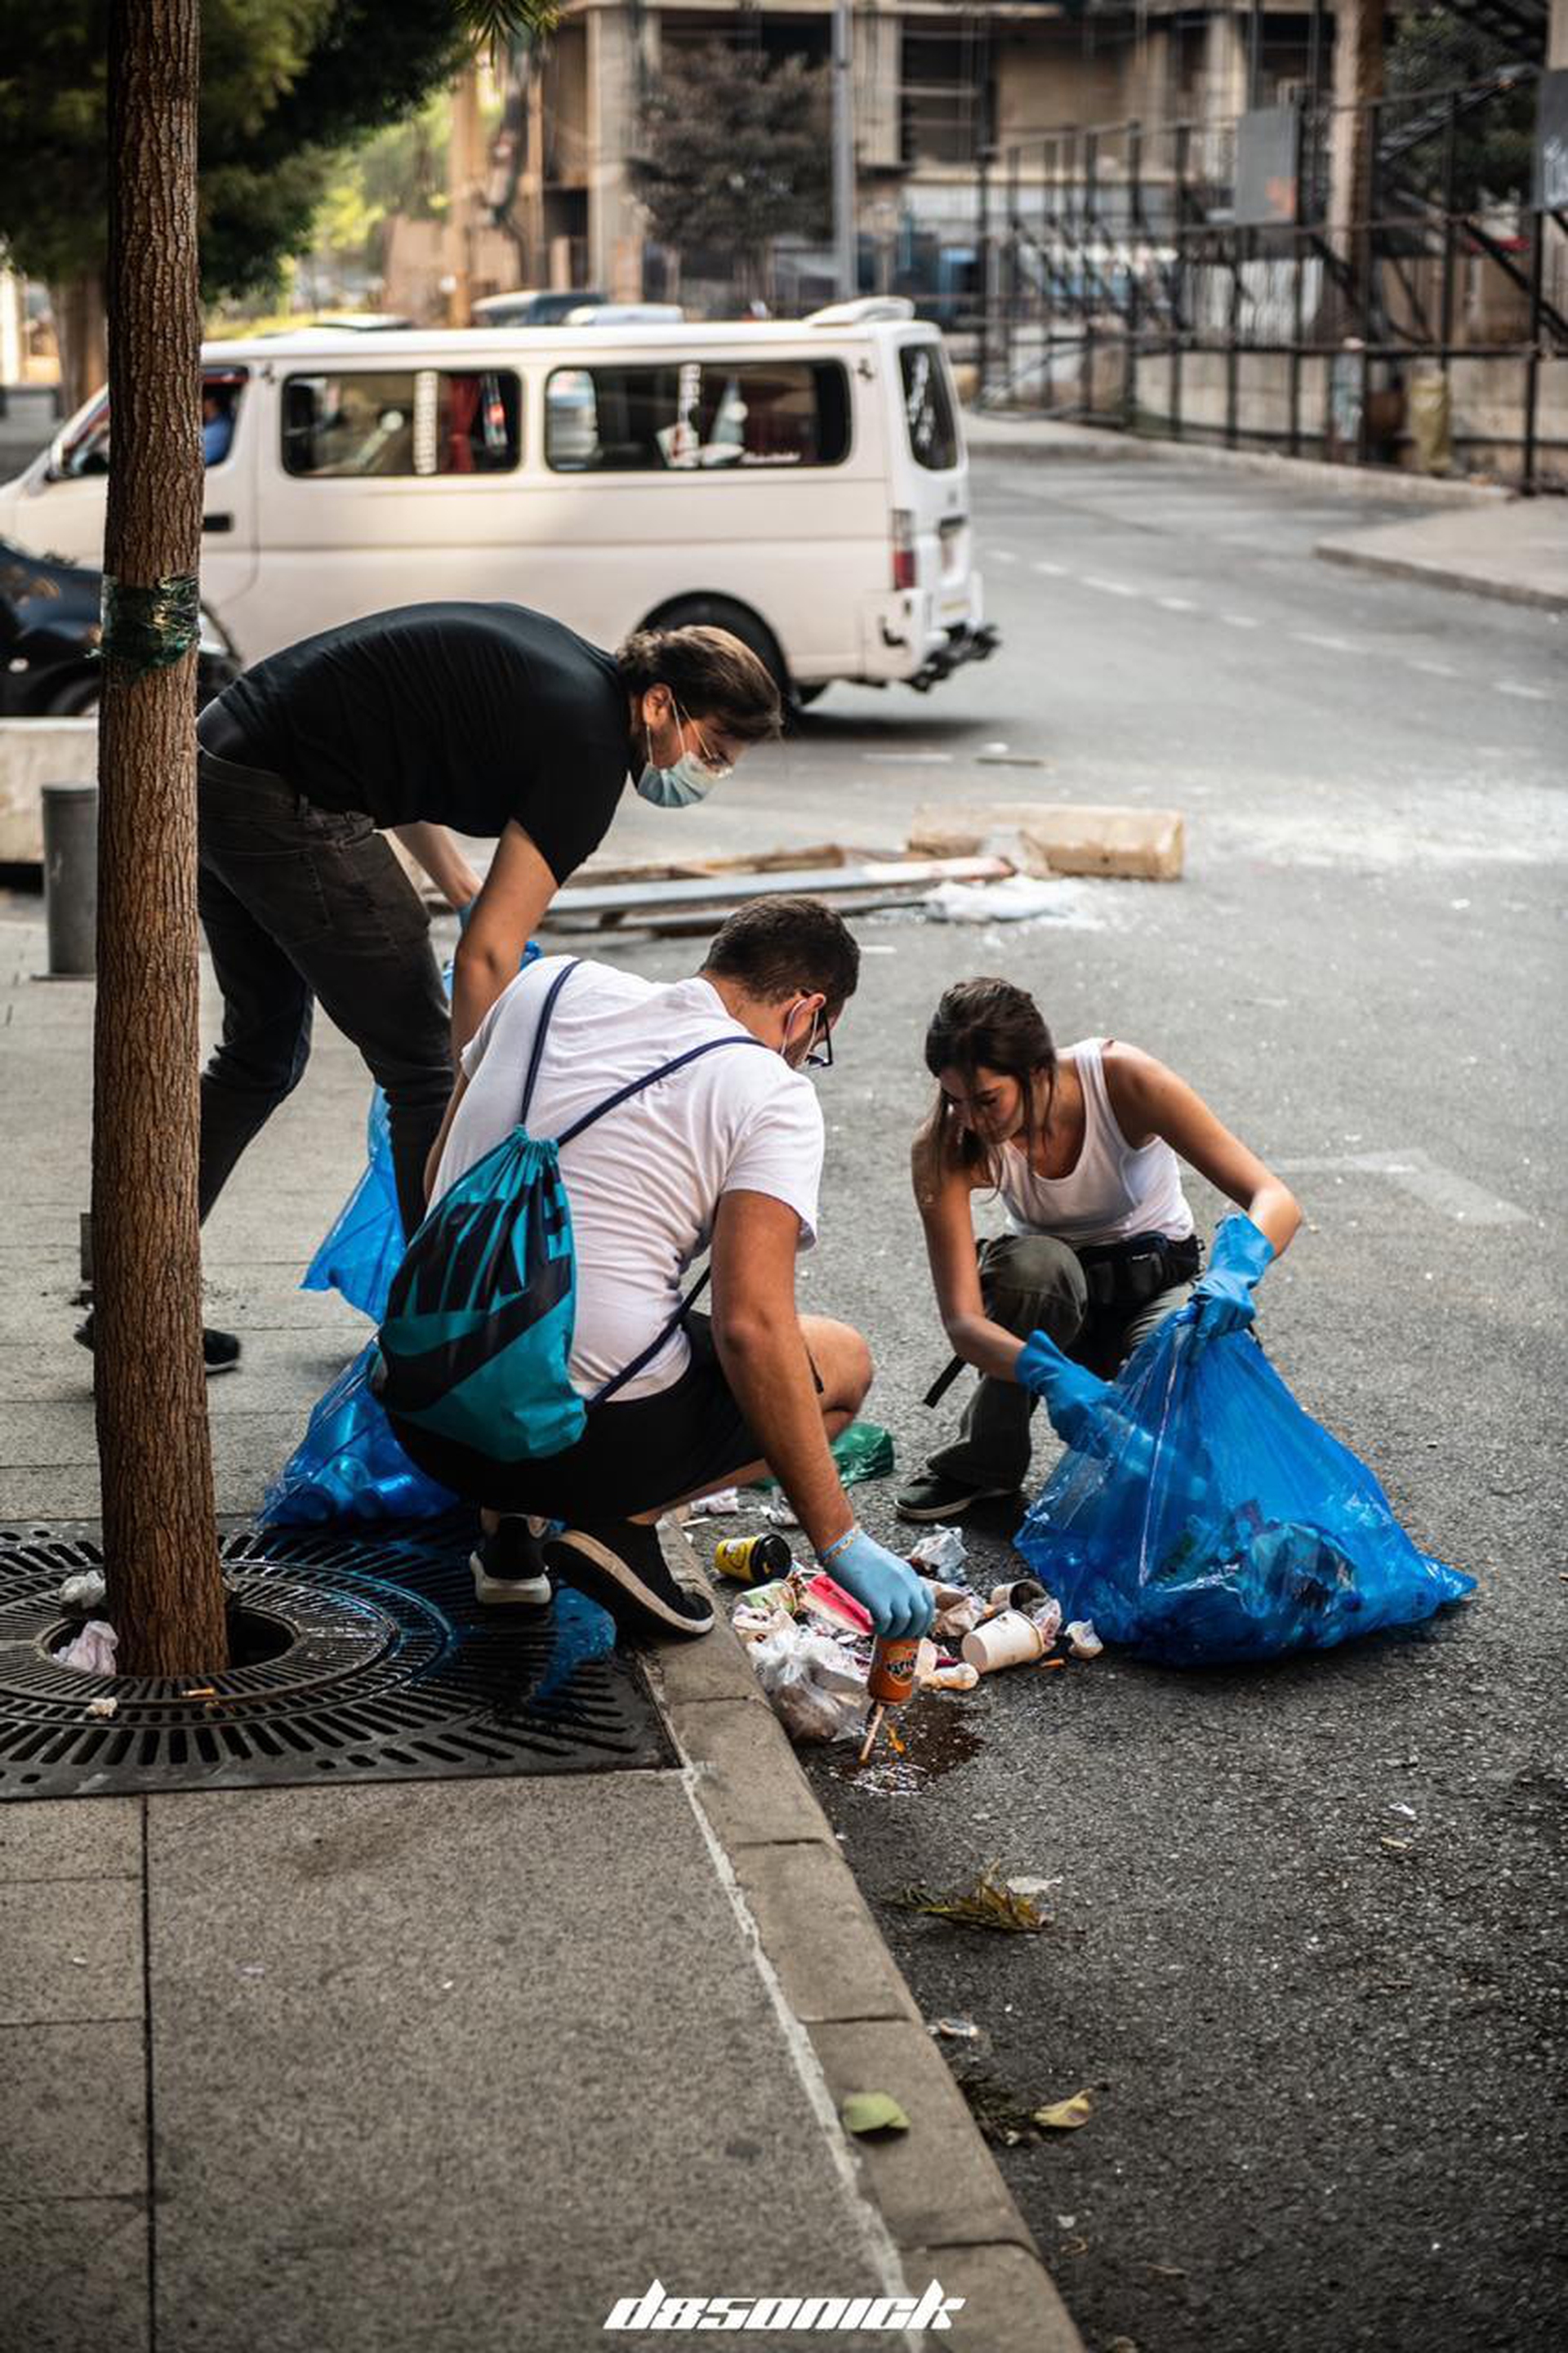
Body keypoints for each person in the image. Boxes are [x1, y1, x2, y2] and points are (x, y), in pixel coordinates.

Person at [86, 606, 777, 1373]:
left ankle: (127, 1296)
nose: (704, 775)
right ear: (659, 704)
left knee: (259, 1054)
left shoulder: (570, 670)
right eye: (709, 750)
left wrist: (455, 880)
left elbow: (402, 739)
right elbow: (488, 956)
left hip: (214, 755)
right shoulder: (587, 754)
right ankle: (440, 1347)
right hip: (279, 795)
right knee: (426, 1069)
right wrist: (477, 1101)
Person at [387, 896, 933, 1647]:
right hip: (582, 1448)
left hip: (425, 1405)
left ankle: (507, 1532)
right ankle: (623, 1525)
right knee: (841, 1362)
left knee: (537, 1314)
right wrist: (840, 1540)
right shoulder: (771, 1091)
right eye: (817, 1041)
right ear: (807, 1012)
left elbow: (436, 1181)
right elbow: (751, 1327)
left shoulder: (545, 988)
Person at [896, 977, 1302, 1522]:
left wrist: (1236, 1270)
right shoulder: (946, 1143)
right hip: (1058, 1308)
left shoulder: (1119, 1081)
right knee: (1029, 1268)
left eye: (987, 1099)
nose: (970, 1118)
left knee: (1189, 1448)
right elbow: (964, 1322)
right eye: (955, 1098)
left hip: (1155, 1286)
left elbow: (1274, 1198)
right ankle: (985, 1463)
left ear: (1038, 1070)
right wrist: (1049, 1372)